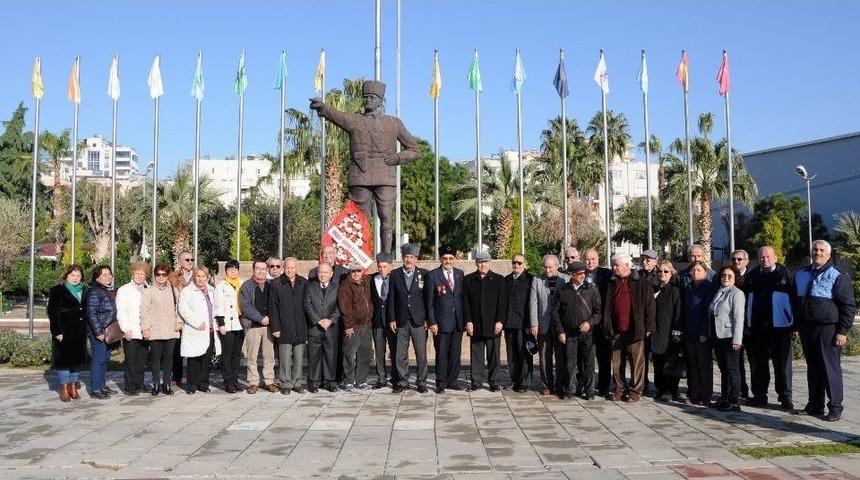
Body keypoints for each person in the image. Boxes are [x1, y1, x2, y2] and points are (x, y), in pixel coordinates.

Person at [309, 80, 420, 254]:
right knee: (358, 220)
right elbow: (334, 114)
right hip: (360, 176)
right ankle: (358, 255)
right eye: (365, 97)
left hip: (385, 177)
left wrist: (397, 157)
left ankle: (386, 256)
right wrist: (322, 107)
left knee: (386, 219)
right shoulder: (354, 120)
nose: (367, 100)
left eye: (372, 97)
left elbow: (415, 150)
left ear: (380, 101)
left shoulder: (393, 123)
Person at [793, 240, 856, 422]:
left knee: (830, 369)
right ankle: (815, 405)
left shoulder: (837, 275)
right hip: (807, 328)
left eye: (821, 250)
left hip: (828, 328)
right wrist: (797, 326)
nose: (817, 252)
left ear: (828, 255)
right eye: (815, 249)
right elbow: (797, 302)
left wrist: (842, 332)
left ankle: (835, 407)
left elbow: (848, 306)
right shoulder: (801, 274)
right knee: (813, 368)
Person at [744, 246, 794, 410]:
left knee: (782, 364)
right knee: (758, 364)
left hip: (780, 328)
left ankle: (785, 397)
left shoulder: (785, 275)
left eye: (768, 256)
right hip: (758, 328)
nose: (765, 259)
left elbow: (795, 301)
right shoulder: (752, 276)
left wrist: (794, 325)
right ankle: (759, 395)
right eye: (762, 257)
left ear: (775, 257)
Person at [603, 253, 655, 402]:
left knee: (637, 362)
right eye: (613, 265)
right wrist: (607, 325)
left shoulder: (642, 283)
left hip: (635, 329)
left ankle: (635, 391)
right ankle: (619, 388)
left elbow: (650, 306)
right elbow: (608, 306)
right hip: (616, 329)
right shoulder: (612, 282)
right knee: (617, 362)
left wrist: (649, 327)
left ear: (627, 265)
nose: (614, 268)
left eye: (617, 265)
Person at [552, 261, 601, 400]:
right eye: (579, 274)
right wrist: (560, 331)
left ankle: (589, 391)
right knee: (570, 363)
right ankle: (570, 390)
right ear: (571, 274)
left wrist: (589, 323)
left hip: (587, 333)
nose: (582, 276)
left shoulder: (592, 289)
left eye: (584, 273)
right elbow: (556, 313)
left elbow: (598, 312)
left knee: (588, 363)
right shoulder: (563, 290)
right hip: (569, 333)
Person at [387, 243, 430, 393]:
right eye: (406, 257)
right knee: (400, 354)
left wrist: (428, 320)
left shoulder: (424, 274)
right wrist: (392, 318)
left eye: (412, 257)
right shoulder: (395, 274)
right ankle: (403, 382)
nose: (409, 260)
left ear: (416, 259)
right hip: (400, 320)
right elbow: (391, 298)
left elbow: (428, 299)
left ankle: (421, 382)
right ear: (403, 258)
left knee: (421, 354)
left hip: (419, 320)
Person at [463, 251, 507, 392]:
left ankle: (494, 382)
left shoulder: (499, 280)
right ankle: (476, 382)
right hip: (475, 324)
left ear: (490, 263)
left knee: (494, 355)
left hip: (493, 324)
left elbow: (503, 302)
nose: (483, 264)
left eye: (486, 262)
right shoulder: (468, 280)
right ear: (476, 263)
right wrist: (468, 321)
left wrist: (500, 321)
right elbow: (466, 303)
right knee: (476, 355)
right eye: (480, 262)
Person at [425, 246, 466, 394]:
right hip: (441, 323)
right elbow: (429, 302)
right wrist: (432, 322)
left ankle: (452, 381)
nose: (448, 261)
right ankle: (441, 382)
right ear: (441, 259)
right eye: (445, 258)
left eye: (450, 258)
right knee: (441, 353)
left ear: (454, 259)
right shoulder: (433, 276)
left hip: (457, 322)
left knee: (455, 353)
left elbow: (462, 298)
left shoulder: (460, 274)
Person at [530, 254, 570, 395]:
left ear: (557, 266)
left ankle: (560, 384)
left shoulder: (566, 279)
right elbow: (533, 303)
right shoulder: (537, 280)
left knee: (560, 357)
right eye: (545, 267)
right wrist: (534, 323)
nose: (547, 270)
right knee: (544, 356)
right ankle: (547, 385)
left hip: (560, 325)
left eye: (550, 267)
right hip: (543, 324)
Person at [269, 257, 309, 395]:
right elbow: (272, 307)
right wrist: (275, 328)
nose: (290, 270)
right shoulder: (275, 284)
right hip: (283, 327)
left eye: (292, 268)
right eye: (287, 268)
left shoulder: (303, 283)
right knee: (285, 358)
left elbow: (307, 306)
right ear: (283, 268)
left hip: (300, 327)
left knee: (298, 358)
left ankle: (297, 382)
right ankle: (285, 383)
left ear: (296, 268)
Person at [178, 266, 221, 394]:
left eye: (203, 276)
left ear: (207, 277)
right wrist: (197, 323)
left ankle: (203, 384)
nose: (201, 279)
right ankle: (191, 386)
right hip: (196, 330)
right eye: (198, 276)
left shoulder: (212, 290)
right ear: (194, 277)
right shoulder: (187, 291)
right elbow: (183, 309)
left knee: (206, 359)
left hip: (210, 330)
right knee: (194, 359)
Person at [141, 263, 182, 396]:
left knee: (169, 359)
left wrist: (179, 322)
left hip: (171, 329)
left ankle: (167, 384)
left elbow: (179, 309)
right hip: (155, 329)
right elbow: (144, 311)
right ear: (154, 275)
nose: (161, 277)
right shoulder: (149, 291)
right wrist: (145, 328)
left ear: (168, 275)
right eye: (158, 274)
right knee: (156, 358)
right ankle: (156, 384)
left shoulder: (173, 290)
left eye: (164, 274)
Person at [48, 264, 87, 402]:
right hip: (64, 331)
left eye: (78, 276)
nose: (75, 278)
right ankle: (64, 387)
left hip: (79, 332)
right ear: (66, 276)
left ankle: (73, 386)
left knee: (76, 361)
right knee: (64, 360)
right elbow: (52, 312)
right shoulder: (57, 290)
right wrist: (57, 331)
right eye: (72, 275)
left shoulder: (84, 290)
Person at [681, 260, 717, 406]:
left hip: (702, 333)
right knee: (693, 365)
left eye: (699, 270)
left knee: (704, 366)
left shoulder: (709, 288)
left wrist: (704, 332)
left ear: (705, 272)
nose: (695, 273)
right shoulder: (688, 288)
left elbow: (708, 312)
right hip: (689, 332)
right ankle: (694, 395)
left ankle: (706, 396)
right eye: (693, 270)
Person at [711, 264, 746, 412]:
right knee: (723, 369)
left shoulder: (736, 293)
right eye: (723, 275)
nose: (726, 278)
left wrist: (737, 339)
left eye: (729, 276)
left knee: (732, 369)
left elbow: (739, 317)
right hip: (718, 336)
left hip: (730, 336)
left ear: (735, 278)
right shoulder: (719, 292)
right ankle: (724, 397)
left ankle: (734, 400)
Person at [240, 260, 277, 394]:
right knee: (252, 355)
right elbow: (246, 307)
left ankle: (269, 380)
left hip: (269, 326)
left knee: (269, 355)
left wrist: (271, 319)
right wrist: (261, 318)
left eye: (263, 269)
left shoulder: (271, 284)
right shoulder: (246, 286)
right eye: (258, 268)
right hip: (253, 325)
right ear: (253, 270)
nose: (261, 271)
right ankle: (253, 382)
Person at [580, 248, 613, 397]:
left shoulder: (607, 274)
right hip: (585, 323)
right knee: (586, 357)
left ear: (598, 260)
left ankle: (604, 387)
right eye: (587, 259)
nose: (590, 262)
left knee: (604, 357)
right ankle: (586, 386)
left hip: (602, 323)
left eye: (593, 259)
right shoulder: (579, 274)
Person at [338, 260, 374, 391]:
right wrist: (348, 326)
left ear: (363, 271)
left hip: (366, 325)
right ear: (350, 272)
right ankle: (348, 381)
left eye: (359, 271)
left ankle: (361, 380)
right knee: (349, 354)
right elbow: (344, 308)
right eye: (353, 271)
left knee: (365, 354)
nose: (356, 274)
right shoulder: (345, 286)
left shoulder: (366, 281)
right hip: (353, 327)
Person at [305, 262, 341, 393]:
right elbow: (307, 305)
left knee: (330, 356)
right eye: (320, 272)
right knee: (313, 356)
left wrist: (330, 320)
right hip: (315, 327)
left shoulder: (337, 287)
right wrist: (317, 320)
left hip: (330, 328)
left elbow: (339, 306)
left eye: (326, 272)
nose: (323, 275)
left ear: (331, 274)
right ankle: (314, 382)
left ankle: (329, 381)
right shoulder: (310, 286)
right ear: (317, 273)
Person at [651, 261, 683, 401]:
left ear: (671, 273)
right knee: (658, 362)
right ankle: (660, 388)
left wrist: (676, 332)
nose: (662, 274)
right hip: (656, 332)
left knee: (670, 362)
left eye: (666, 271)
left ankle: (673, 390)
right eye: (660, 271)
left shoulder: (674, 291)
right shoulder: (654, 289)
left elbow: (678, 313)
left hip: (670, 332)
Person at [84, 265, 117, 400]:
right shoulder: (94, 291)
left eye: (109, 274)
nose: (108, 276)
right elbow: (91, 313)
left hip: (108, 330)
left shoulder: (106, 290)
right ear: (97, 276)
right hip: (99, 331)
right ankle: (95, 389)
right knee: (98, 360)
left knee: (104, 359)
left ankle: (102, 385)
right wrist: (98, 331)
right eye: (104, 274)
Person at [116, 262, 149, 396]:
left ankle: (139, 384)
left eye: (142, 274)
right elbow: (121, 311)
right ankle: (130, 386)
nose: (139, 276)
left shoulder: (148, 288)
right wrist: (126, 329)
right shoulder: (124, 290)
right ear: (132, 274)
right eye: (137, 273)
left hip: (144, 331)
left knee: (142, 360)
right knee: (131, 360)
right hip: (131, 330)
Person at [214, 260, 245, 393]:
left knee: (236, 355)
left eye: (235, 269)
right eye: (230, 269)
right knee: (226, 355)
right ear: (226, 271)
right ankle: (228, 382)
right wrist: (221, 324)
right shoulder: (221, 286)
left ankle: (235, 379)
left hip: (239, 324)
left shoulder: (242, 284)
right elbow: (218, 305)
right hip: (226, 324)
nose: (233, 271)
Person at [505, 254, 534, 392]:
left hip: (524, 324)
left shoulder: (530, 279)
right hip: (509, 323)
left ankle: (525, 383)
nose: (516, 265)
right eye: (514, 262)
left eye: (519, 263)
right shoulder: (507, 279)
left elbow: (532, 304)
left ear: (525, 264)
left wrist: (530, 324)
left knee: (524, 354)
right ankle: (514, 380)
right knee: (512, 355)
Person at [168, 251, 195, 387]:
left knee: (193, 348)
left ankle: (193, 378)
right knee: (176, 350)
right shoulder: (172, 277)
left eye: (192, 259)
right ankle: (176, 376)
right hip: (177, 317)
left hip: (194, 317)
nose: (190, 262)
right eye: (187, 260)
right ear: (180, 262)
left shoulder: (198, 275)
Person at [370, 253, 397, 389]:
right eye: (379, 266)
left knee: (394, 350)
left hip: (392, 321)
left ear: (390, 267)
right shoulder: (371, 279)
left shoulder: (396, 279)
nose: (382, 269)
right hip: (377, 321)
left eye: (385, 266)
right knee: (379, 351)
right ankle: (381, 377)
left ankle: (395, 376)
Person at [730, 248, 752, 399]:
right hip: (732, 327)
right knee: (736, 362)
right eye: (734, 260)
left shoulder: (752, 277)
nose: (736, 262)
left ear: (746, 261)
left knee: (754, 361)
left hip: (749, 326)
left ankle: (758, 393)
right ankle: (740, 389)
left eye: (739, 259)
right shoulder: (728, 277)